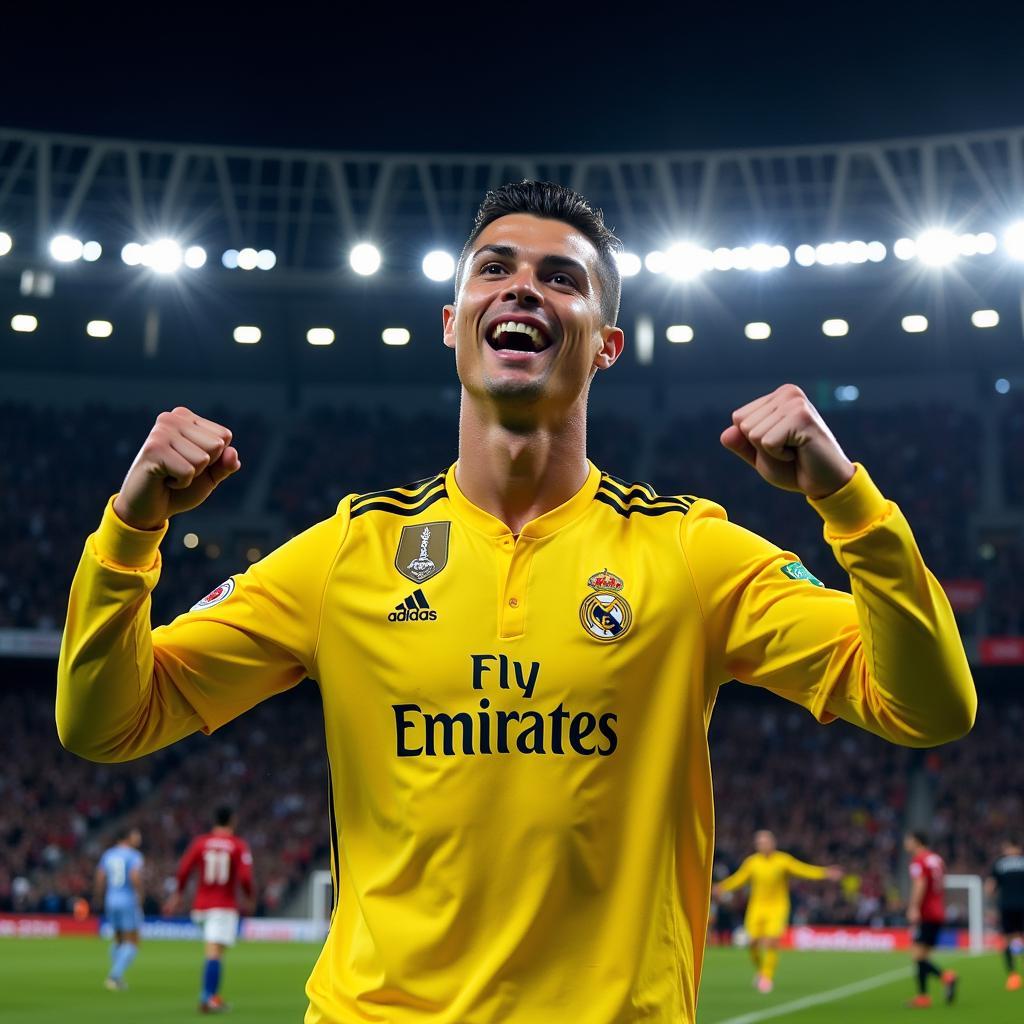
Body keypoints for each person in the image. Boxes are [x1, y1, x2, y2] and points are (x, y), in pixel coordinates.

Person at [57, 180, 977, 1024]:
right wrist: (131, 530)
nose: (523, 288)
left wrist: (849, 501)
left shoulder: (688, 550)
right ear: (453, 322)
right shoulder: (350, 552)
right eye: (495, 269)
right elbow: (106, 724)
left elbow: (928, 708)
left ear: (608, 344)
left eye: (562, 278)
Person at [712, 830, 841, 993]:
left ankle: (767, 977)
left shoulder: (783, 860)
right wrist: (722, 887)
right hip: (757, 907)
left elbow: (803, 870)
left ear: (773, 843)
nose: (762, 845)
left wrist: (825, 873)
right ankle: (761, 971)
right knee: (752, 943)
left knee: (771, 941)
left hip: (777, 907)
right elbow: (739, 879)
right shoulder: (752, 863)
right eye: (759, 842)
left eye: (765, 842)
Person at [163, 805, 253, 1014]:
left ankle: (211, 996)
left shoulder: (200, 843)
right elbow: (246, 877)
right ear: (232, 821)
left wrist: (177, 895)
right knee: (214, 953)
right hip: (222, 906)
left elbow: (184, 869)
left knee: (215, 952)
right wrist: (249, 897)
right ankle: (208, 998)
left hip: (201, 906)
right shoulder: (237, 845)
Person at [904, 831, 957, 1007]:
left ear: (916, 841)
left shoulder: (919, 860)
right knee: (923, 956)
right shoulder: (937, 859)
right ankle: (924, 996)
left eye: (908, 840)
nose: (906, 843)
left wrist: (913, 907)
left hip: (926, 913)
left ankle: (944, 978)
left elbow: (920, 883)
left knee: (917, 956)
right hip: (938, 911)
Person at [94, 826, 143, 991]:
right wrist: (140, 895)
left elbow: (100, 877)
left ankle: (117, 976)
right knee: (133, 942)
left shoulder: (108, 854)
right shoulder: (134, 855)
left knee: (118, 939)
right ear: (127, 837)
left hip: (111, 899)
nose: (138, 837)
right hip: (127, 900)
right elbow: (134, 876)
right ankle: (114, 976)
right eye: (136, 834)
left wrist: (99, 897)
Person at [987, 839, 1024, 990]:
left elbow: (990, 887)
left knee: (1008, 940)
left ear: (1008, 847)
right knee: (1019, 939)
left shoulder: (1000, 863)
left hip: (1007, 906)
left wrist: (989, 905)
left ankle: (1013, 976)